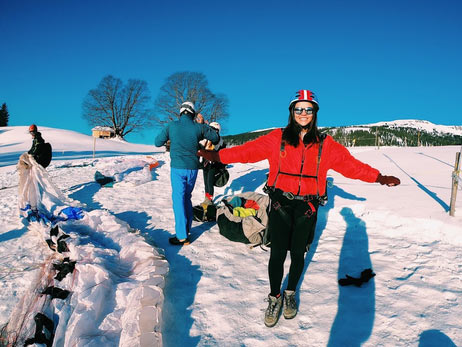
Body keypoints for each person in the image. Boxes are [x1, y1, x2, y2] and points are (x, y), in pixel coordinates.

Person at [198, 89, 400, 327]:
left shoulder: (326, 145)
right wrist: (216, 156)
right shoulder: (277, 138)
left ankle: (290, 292)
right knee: (277, 253)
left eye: (308, 109)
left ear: (314, 113)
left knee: (297, 253)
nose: (303, 113)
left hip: (307, 207)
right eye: (298, 109)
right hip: (281, 203)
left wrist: (378, 177)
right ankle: (275, 297)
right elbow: (248, 151)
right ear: (292, 112)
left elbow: (350, 165)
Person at [155, 101, 220, 246]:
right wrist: (205, 126)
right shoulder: (199, 127)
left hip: (177, 167)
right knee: (187, 198)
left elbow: (157, 142)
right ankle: (186, 230)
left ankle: (182, 236)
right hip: (192, 168)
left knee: (178, 199)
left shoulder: (172, 126)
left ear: (181, 112)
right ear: (193, 113)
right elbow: (215, 138)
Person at [200, 122, 226, 205]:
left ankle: (209, 200)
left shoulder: (219, 140)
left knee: (209, 182)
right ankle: (206, 199)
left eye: (212, 129)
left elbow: (216, 150)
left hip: (214, 165)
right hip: (205, 164)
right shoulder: (206, 140)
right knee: (206, 183)